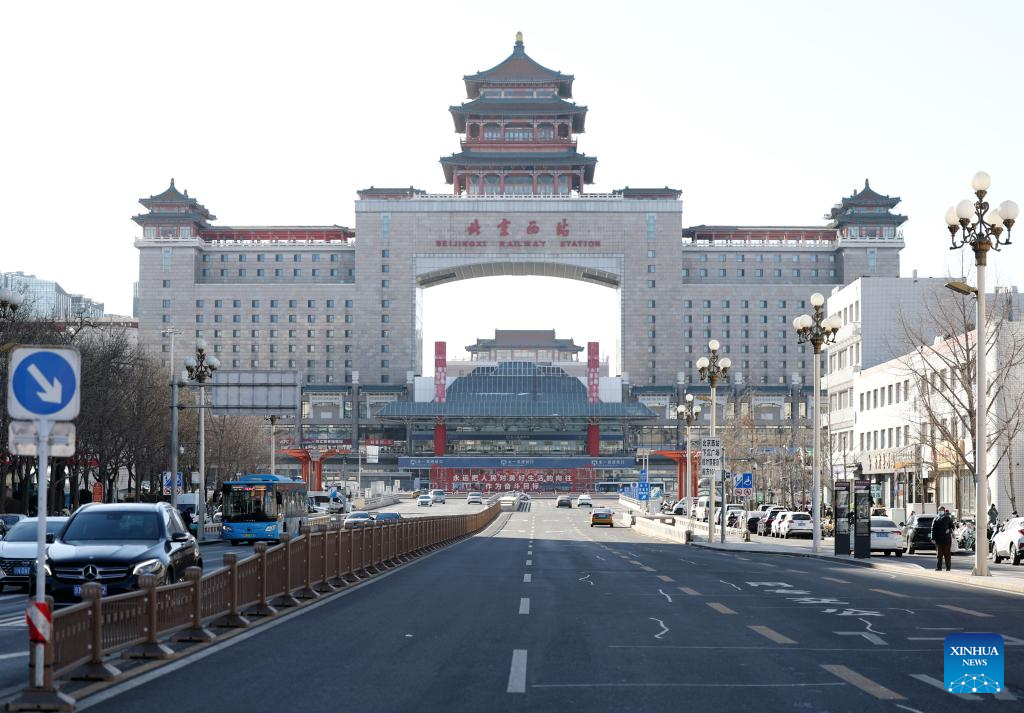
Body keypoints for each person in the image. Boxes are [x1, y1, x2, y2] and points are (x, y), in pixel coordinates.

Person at [931, 507, 955, 571]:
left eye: (942, 510)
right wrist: (932, 538)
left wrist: (949, 530)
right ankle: (939, 567)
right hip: (939, 539)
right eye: (939, 510)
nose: (940, 511)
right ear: (938, 511)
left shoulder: (948, 518)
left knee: (947, 554)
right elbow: (933, 529)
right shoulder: (936, 519)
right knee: (939, 554)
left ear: (944, 511)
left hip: (947, 539)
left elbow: (952, 526)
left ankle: (948, 567)